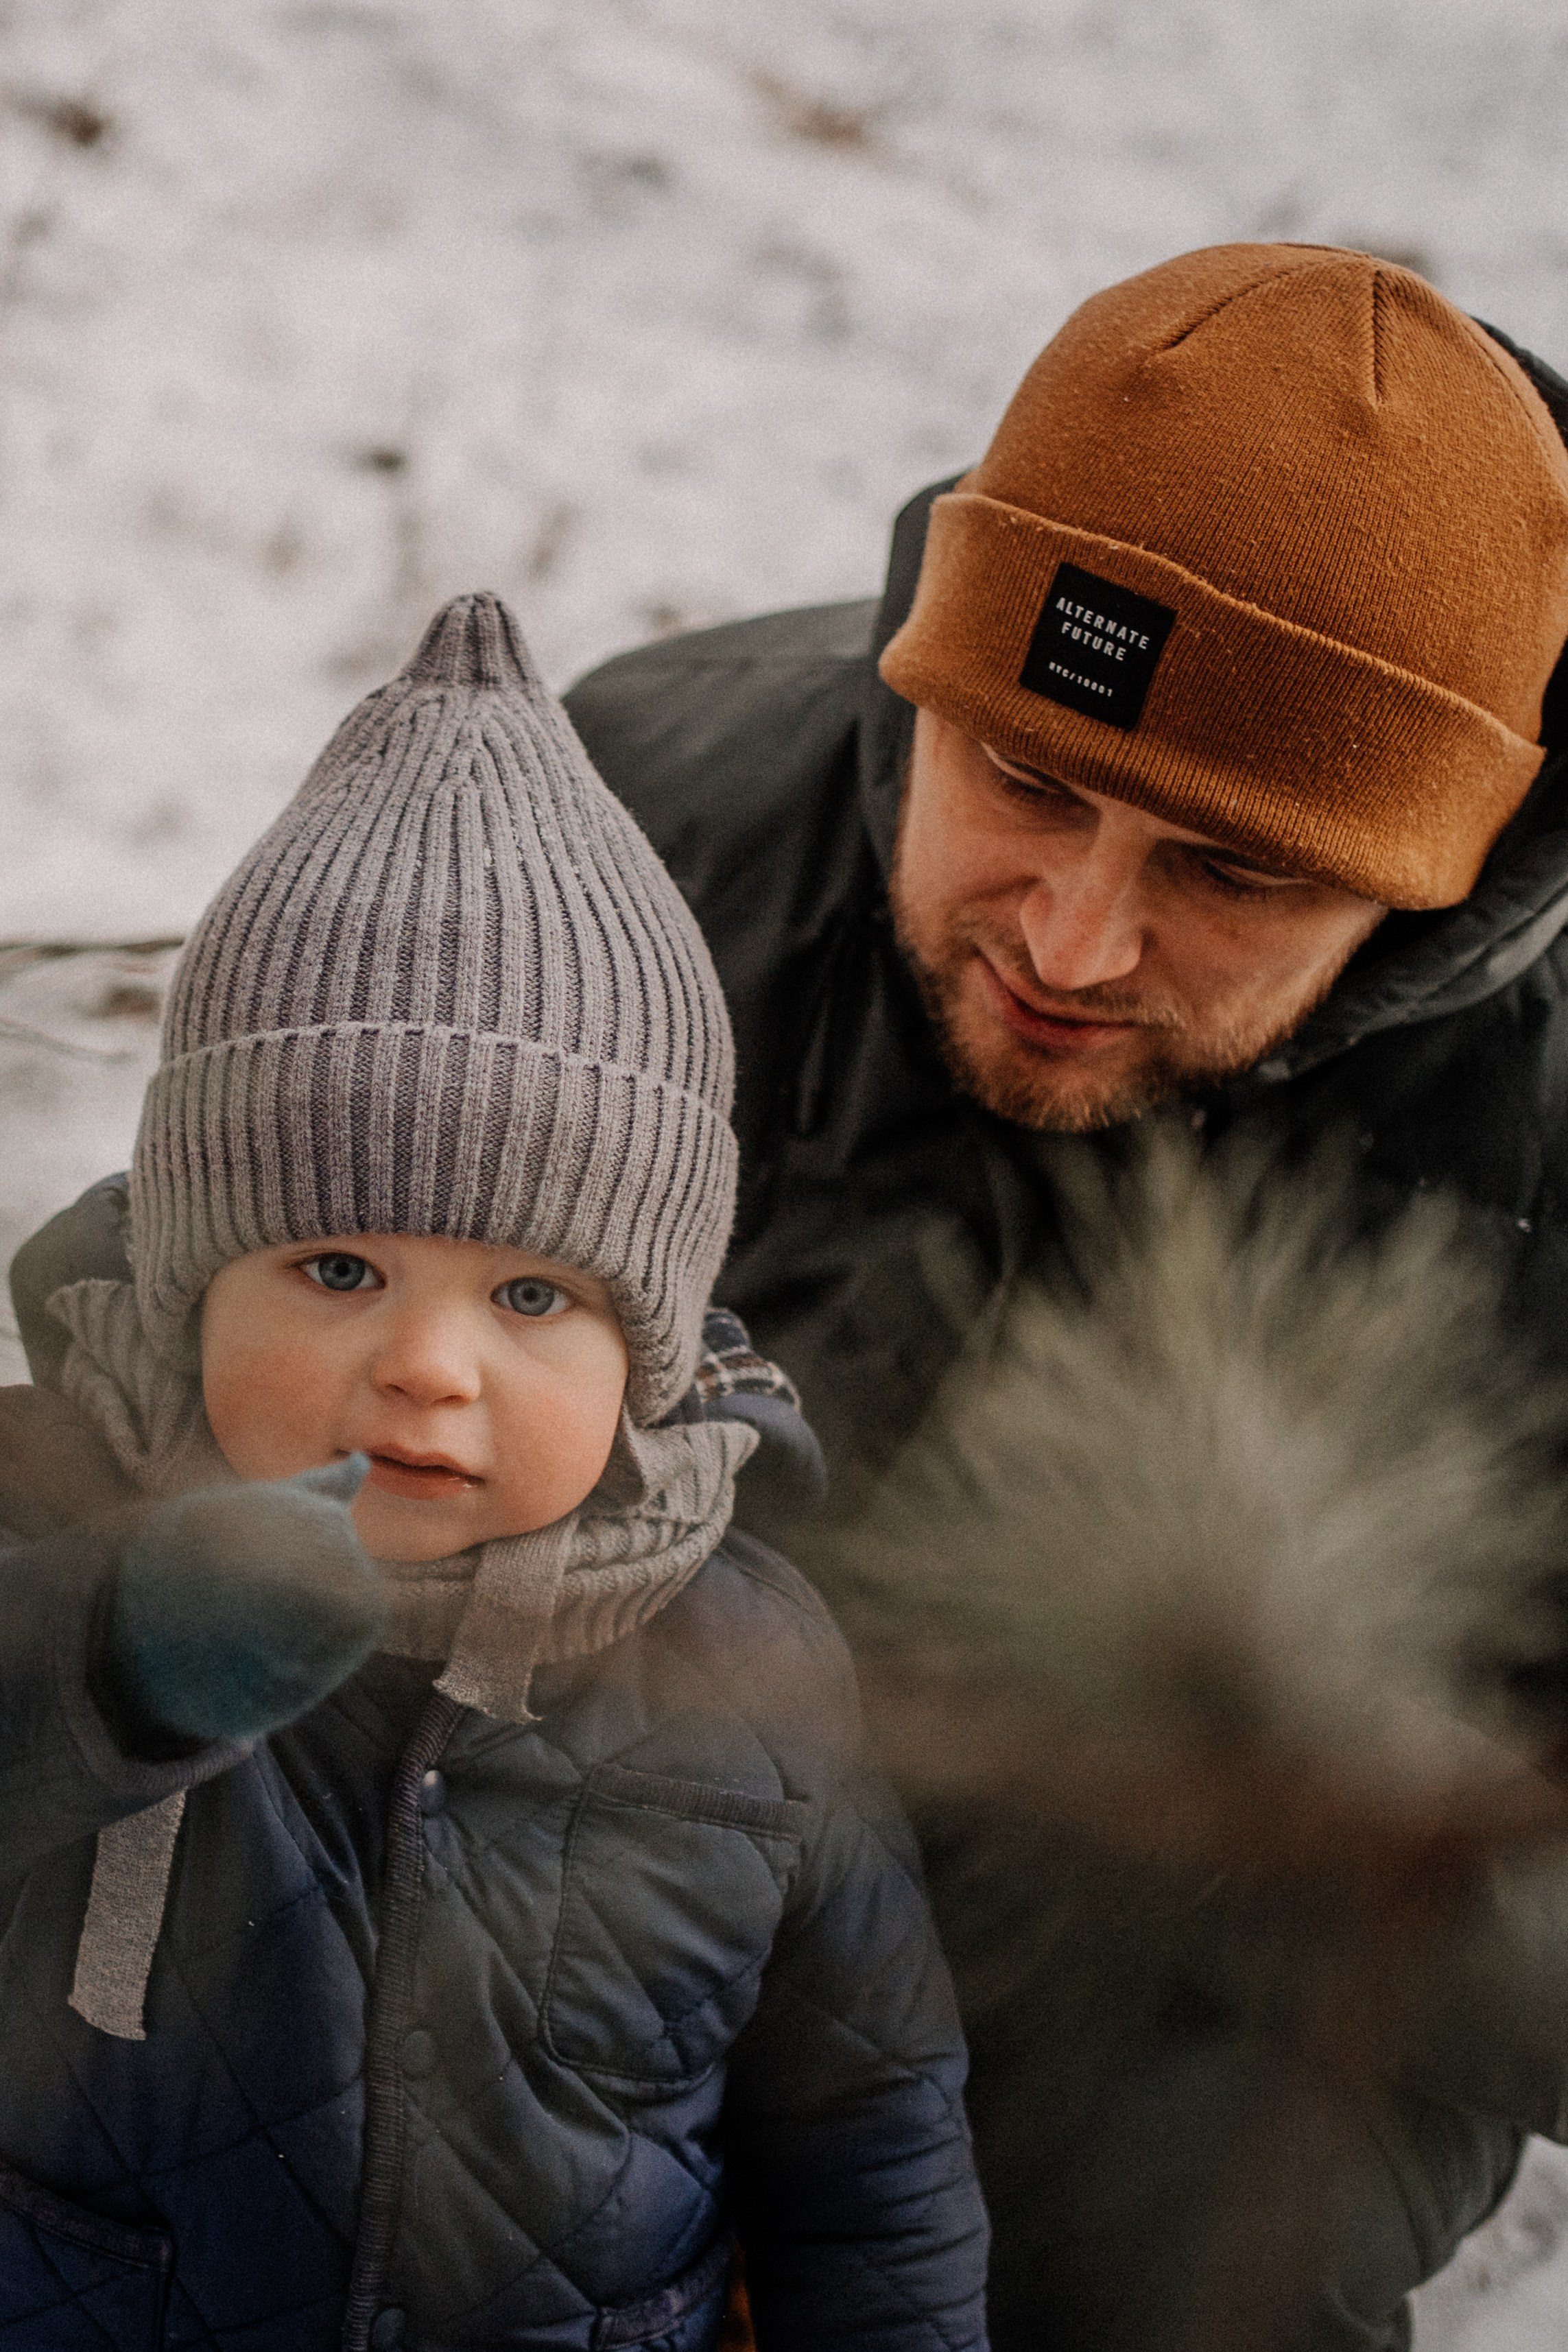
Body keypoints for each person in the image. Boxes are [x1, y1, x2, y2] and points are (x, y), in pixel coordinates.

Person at [20, 242, 1568, 2347]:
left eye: (1229, 867)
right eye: (1023, 774)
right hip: (587, 1756)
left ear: (1425, 868)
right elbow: (288, 1223)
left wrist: (1213, 1798)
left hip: (1206, 1954)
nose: (1076, 933)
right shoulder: (655, 817)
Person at [0, 594, 988, 2351]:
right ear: (185, 1279)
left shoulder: (748, 1671)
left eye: (533, 1295)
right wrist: (120, 1658)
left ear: (656, 1352)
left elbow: (871, 2149)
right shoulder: (55, 1513)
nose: (428, 1363)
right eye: (336, 1269)